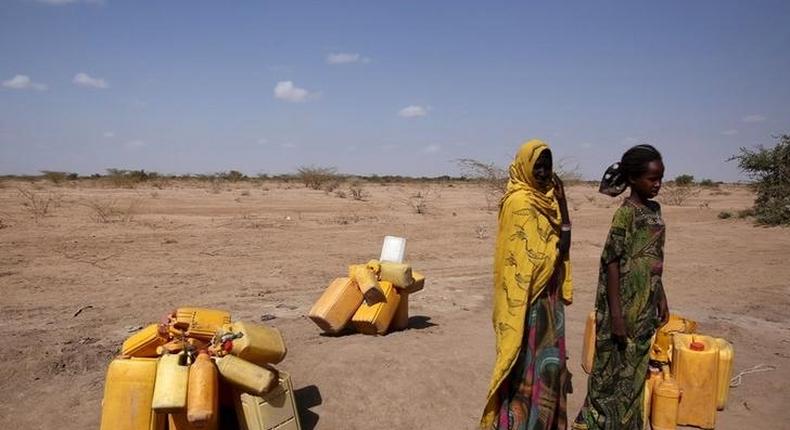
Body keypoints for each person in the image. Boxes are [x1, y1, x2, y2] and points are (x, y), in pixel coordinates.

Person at [573, 144, 670, 430]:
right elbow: (611, 262)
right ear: (633, 179)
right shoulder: (626, 214)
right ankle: (593, 422)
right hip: (622, 305)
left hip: (645, 305)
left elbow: (652, 258)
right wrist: (615, 315)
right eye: (652, 179)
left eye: (660, 178)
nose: (658, 185)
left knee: (635, 370)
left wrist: (661, 296)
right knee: (609, 371)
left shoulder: (655, 210)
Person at [481, 139, 574, 430]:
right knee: (523, 368)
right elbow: (519, 260)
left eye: (548, 166)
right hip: (526, 301)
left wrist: (563, 202)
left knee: (549, 366)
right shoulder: (518, 202)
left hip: (549, 299)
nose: (545, 173)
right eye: (539, 166)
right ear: (525, 166)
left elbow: (563, 245)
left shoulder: (548, 200)